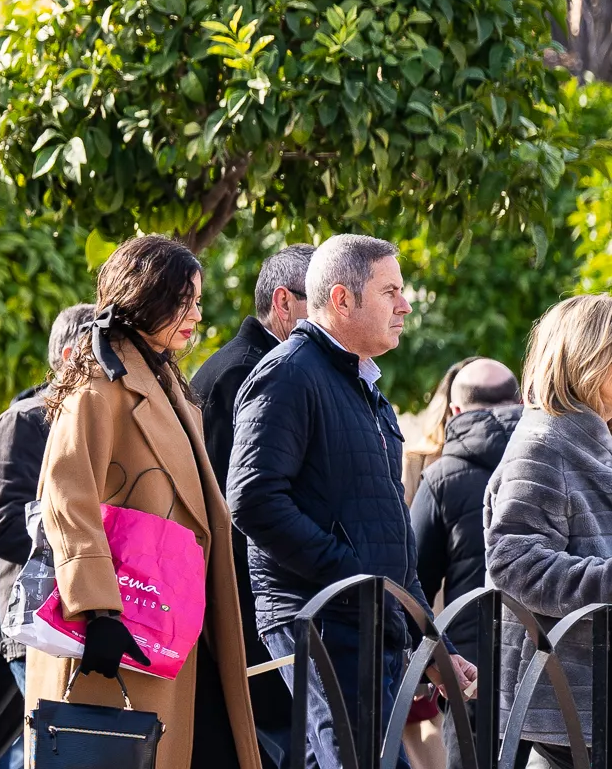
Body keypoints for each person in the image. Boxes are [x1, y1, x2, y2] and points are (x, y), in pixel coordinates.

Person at [28, 235, 260, 769]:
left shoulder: (164, 377)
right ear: (147, 294)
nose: (198, 315)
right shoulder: (98, 378)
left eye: (199, 301)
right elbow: (66, 493)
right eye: (187, 300)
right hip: (117, 627)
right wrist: (97, 609)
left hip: (171, 625)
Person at [227, 233, 421, 768]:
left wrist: (433, 638)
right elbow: (252, 500)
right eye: (391, 292)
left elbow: (391, 534)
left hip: (364, 618)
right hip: (319, 617)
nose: (405, 305)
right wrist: (349, 573)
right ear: (341, 299)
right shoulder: (289, 373)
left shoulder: (364, 387)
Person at [484, 294, 612, 766]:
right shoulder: (545, 442)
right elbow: (515, 563)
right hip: (570, 697)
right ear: (590, 358)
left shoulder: (592, 437)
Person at [188, 244, 311, 657]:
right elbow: (236, 508)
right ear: (284, 303)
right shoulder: (245, 372)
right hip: (244, 611)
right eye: (325, 300)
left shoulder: (260, 365)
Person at [0, 303, 94, 640]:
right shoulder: (24, 421)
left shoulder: (96, 419)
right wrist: (89, 558)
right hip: (38, 627)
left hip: (86, 615)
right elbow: (4, 527)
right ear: (71, 355)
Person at [409, 357, 519, 608]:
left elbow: (414, 581)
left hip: (466, 642)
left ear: (455, 411)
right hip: (546, 642)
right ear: (521, 402)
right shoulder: (560, 461)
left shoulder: (440, 479)